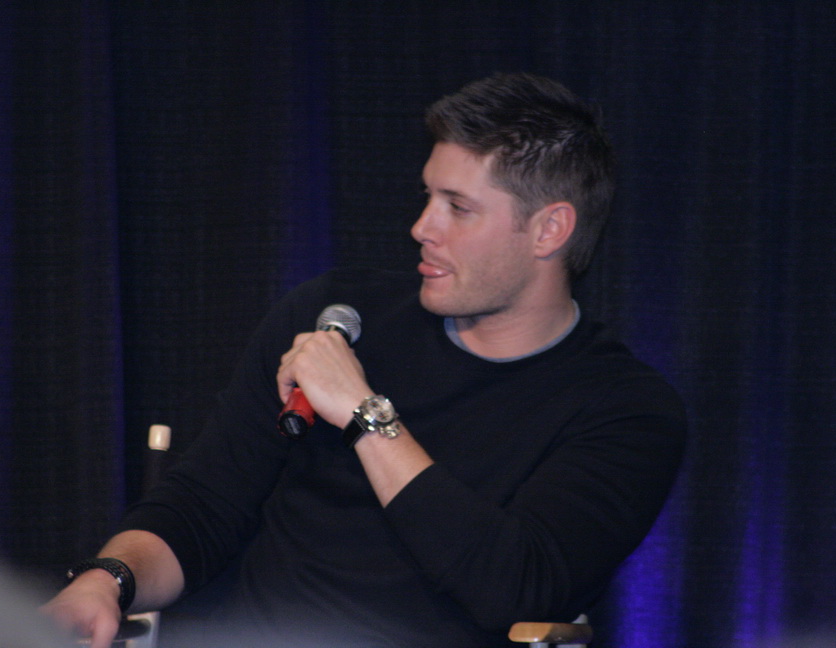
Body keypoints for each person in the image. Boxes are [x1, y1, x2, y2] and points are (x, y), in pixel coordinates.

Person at [42, 72, 686, 647]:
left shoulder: (625, 410)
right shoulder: (336, 315)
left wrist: (364, 414)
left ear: (550, 230)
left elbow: (513, 588)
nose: (422, 227)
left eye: (458, 208)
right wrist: (108, 581)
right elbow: (204, 506)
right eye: (428, 196)